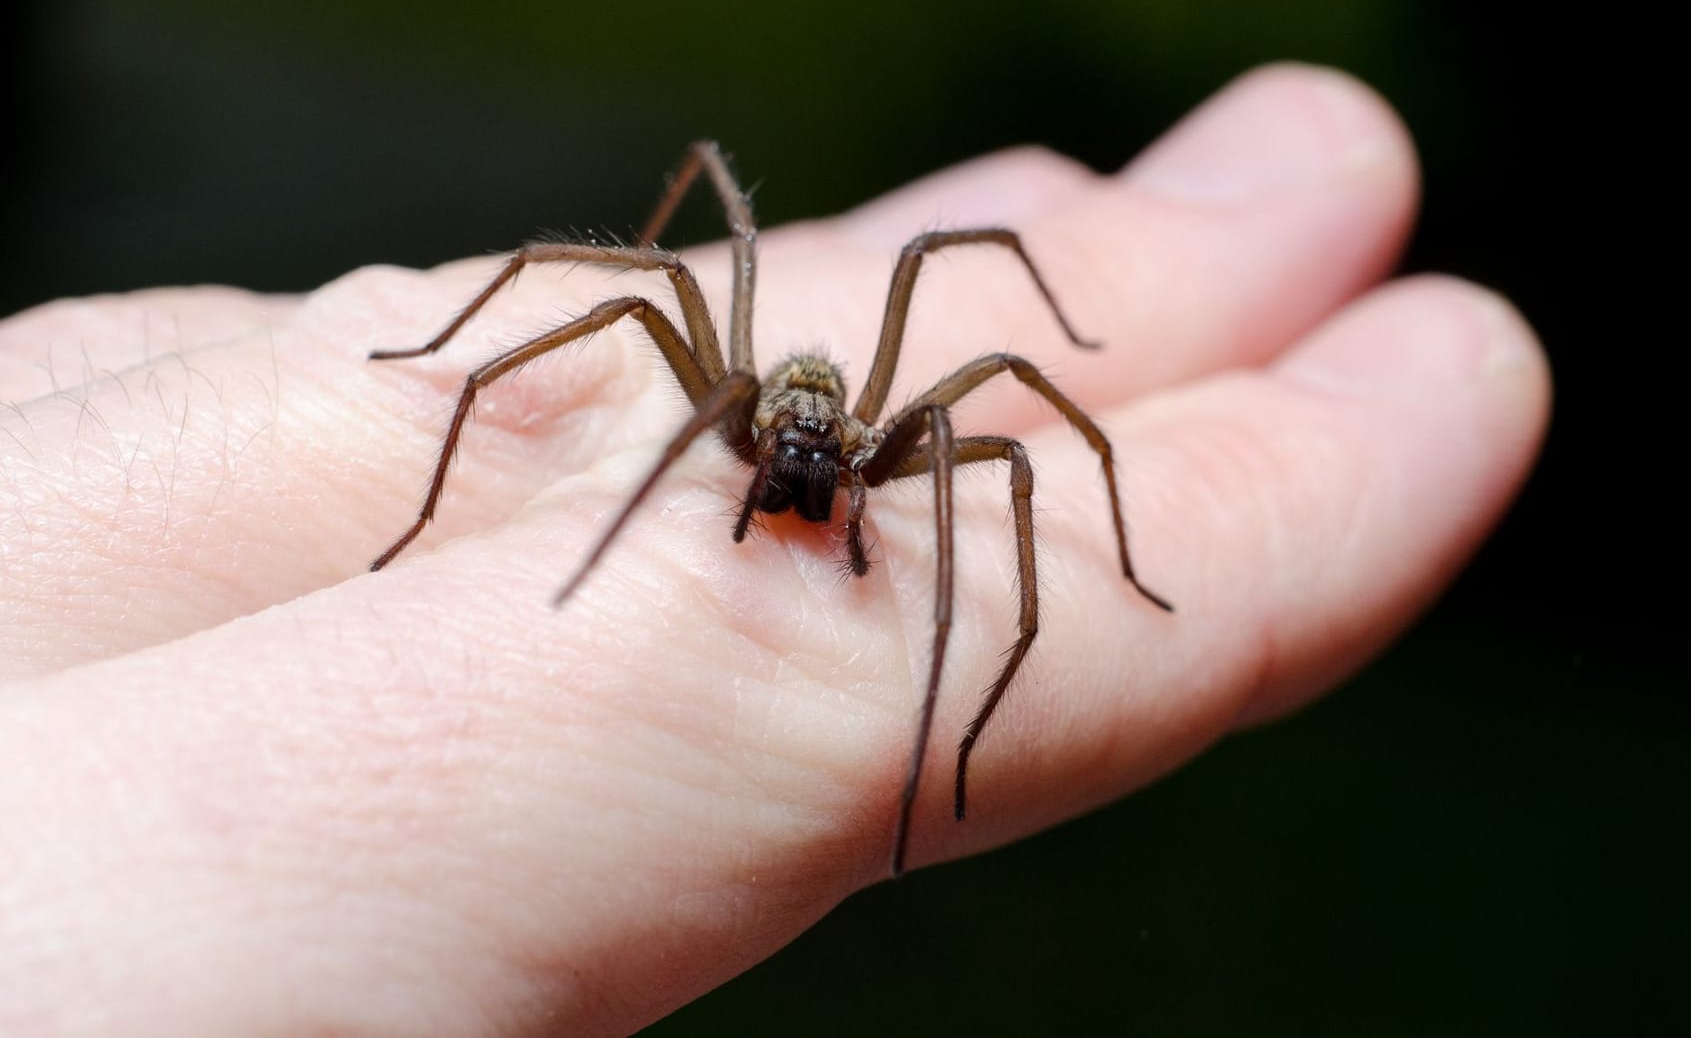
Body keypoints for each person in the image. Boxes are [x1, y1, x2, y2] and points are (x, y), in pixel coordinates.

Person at [0, 65, 1548, 1034]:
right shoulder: (741, 411)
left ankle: (959, 711)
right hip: (754, 385)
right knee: (644, 281)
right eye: (780, 457)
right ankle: (494, 470)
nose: (798, 472)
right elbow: (621, 289)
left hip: (864, 423)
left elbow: (1013, 388)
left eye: (809, 459)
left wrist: (977, 706)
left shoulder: (878, 438)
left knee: (1002, 416)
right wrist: (521, 492)